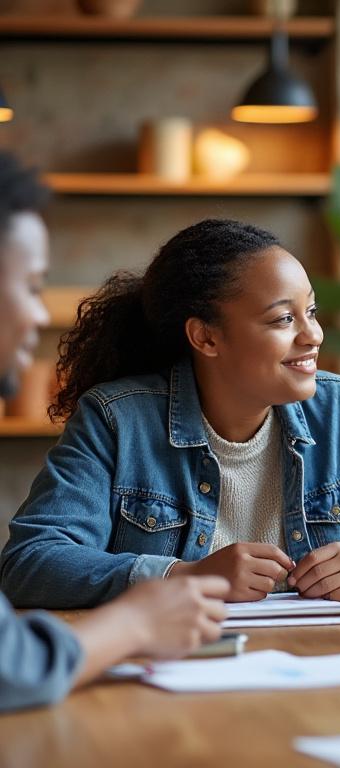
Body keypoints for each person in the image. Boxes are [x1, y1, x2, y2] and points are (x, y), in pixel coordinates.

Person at [1, 218, 340, 608]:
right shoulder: (117, 420)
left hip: (317, 663)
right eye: (284, 319)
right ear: (206, 337)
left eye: (311, 311)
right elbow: (31, 562)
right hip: (177, 665)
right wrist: (185, 577)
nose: (313, 335)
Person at [0, 152, 228, 711]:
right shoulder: (116, 416)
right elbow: (12, 665)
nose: (38, 315)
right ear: (204, 337)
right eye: (30, 286)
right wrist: (139, 618)